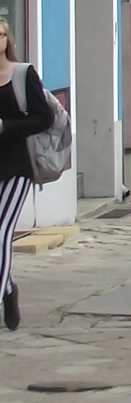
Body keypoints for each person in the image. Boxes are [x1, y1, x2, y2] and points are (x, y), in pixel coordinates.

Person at [0, 19, 51, 332]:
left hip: (17, 167)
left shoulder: (22, 74)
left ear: (7, 39)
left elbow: (43, 117)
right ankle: (8, 290)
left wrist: (7, 127)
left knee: (2, 231)